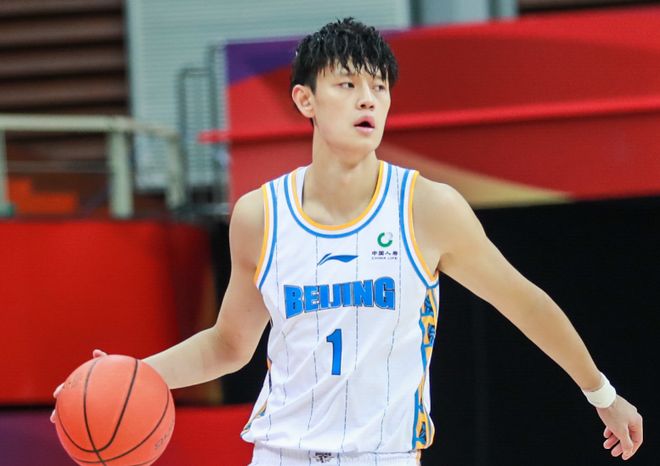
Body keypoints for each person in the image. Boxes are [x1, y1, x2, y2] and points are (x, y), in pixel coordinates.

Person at [52, 18, 643, 465]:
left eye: (380, 87)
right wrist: (125, 376)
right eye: (348, 83)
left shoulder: (426, 208)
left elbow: (524, 302)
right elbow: (229, 345)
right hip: (280, 453)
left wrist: (602, 393)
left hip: (382, 456)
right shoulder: (259, 215)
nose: (368, 98)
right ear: (304, 99)